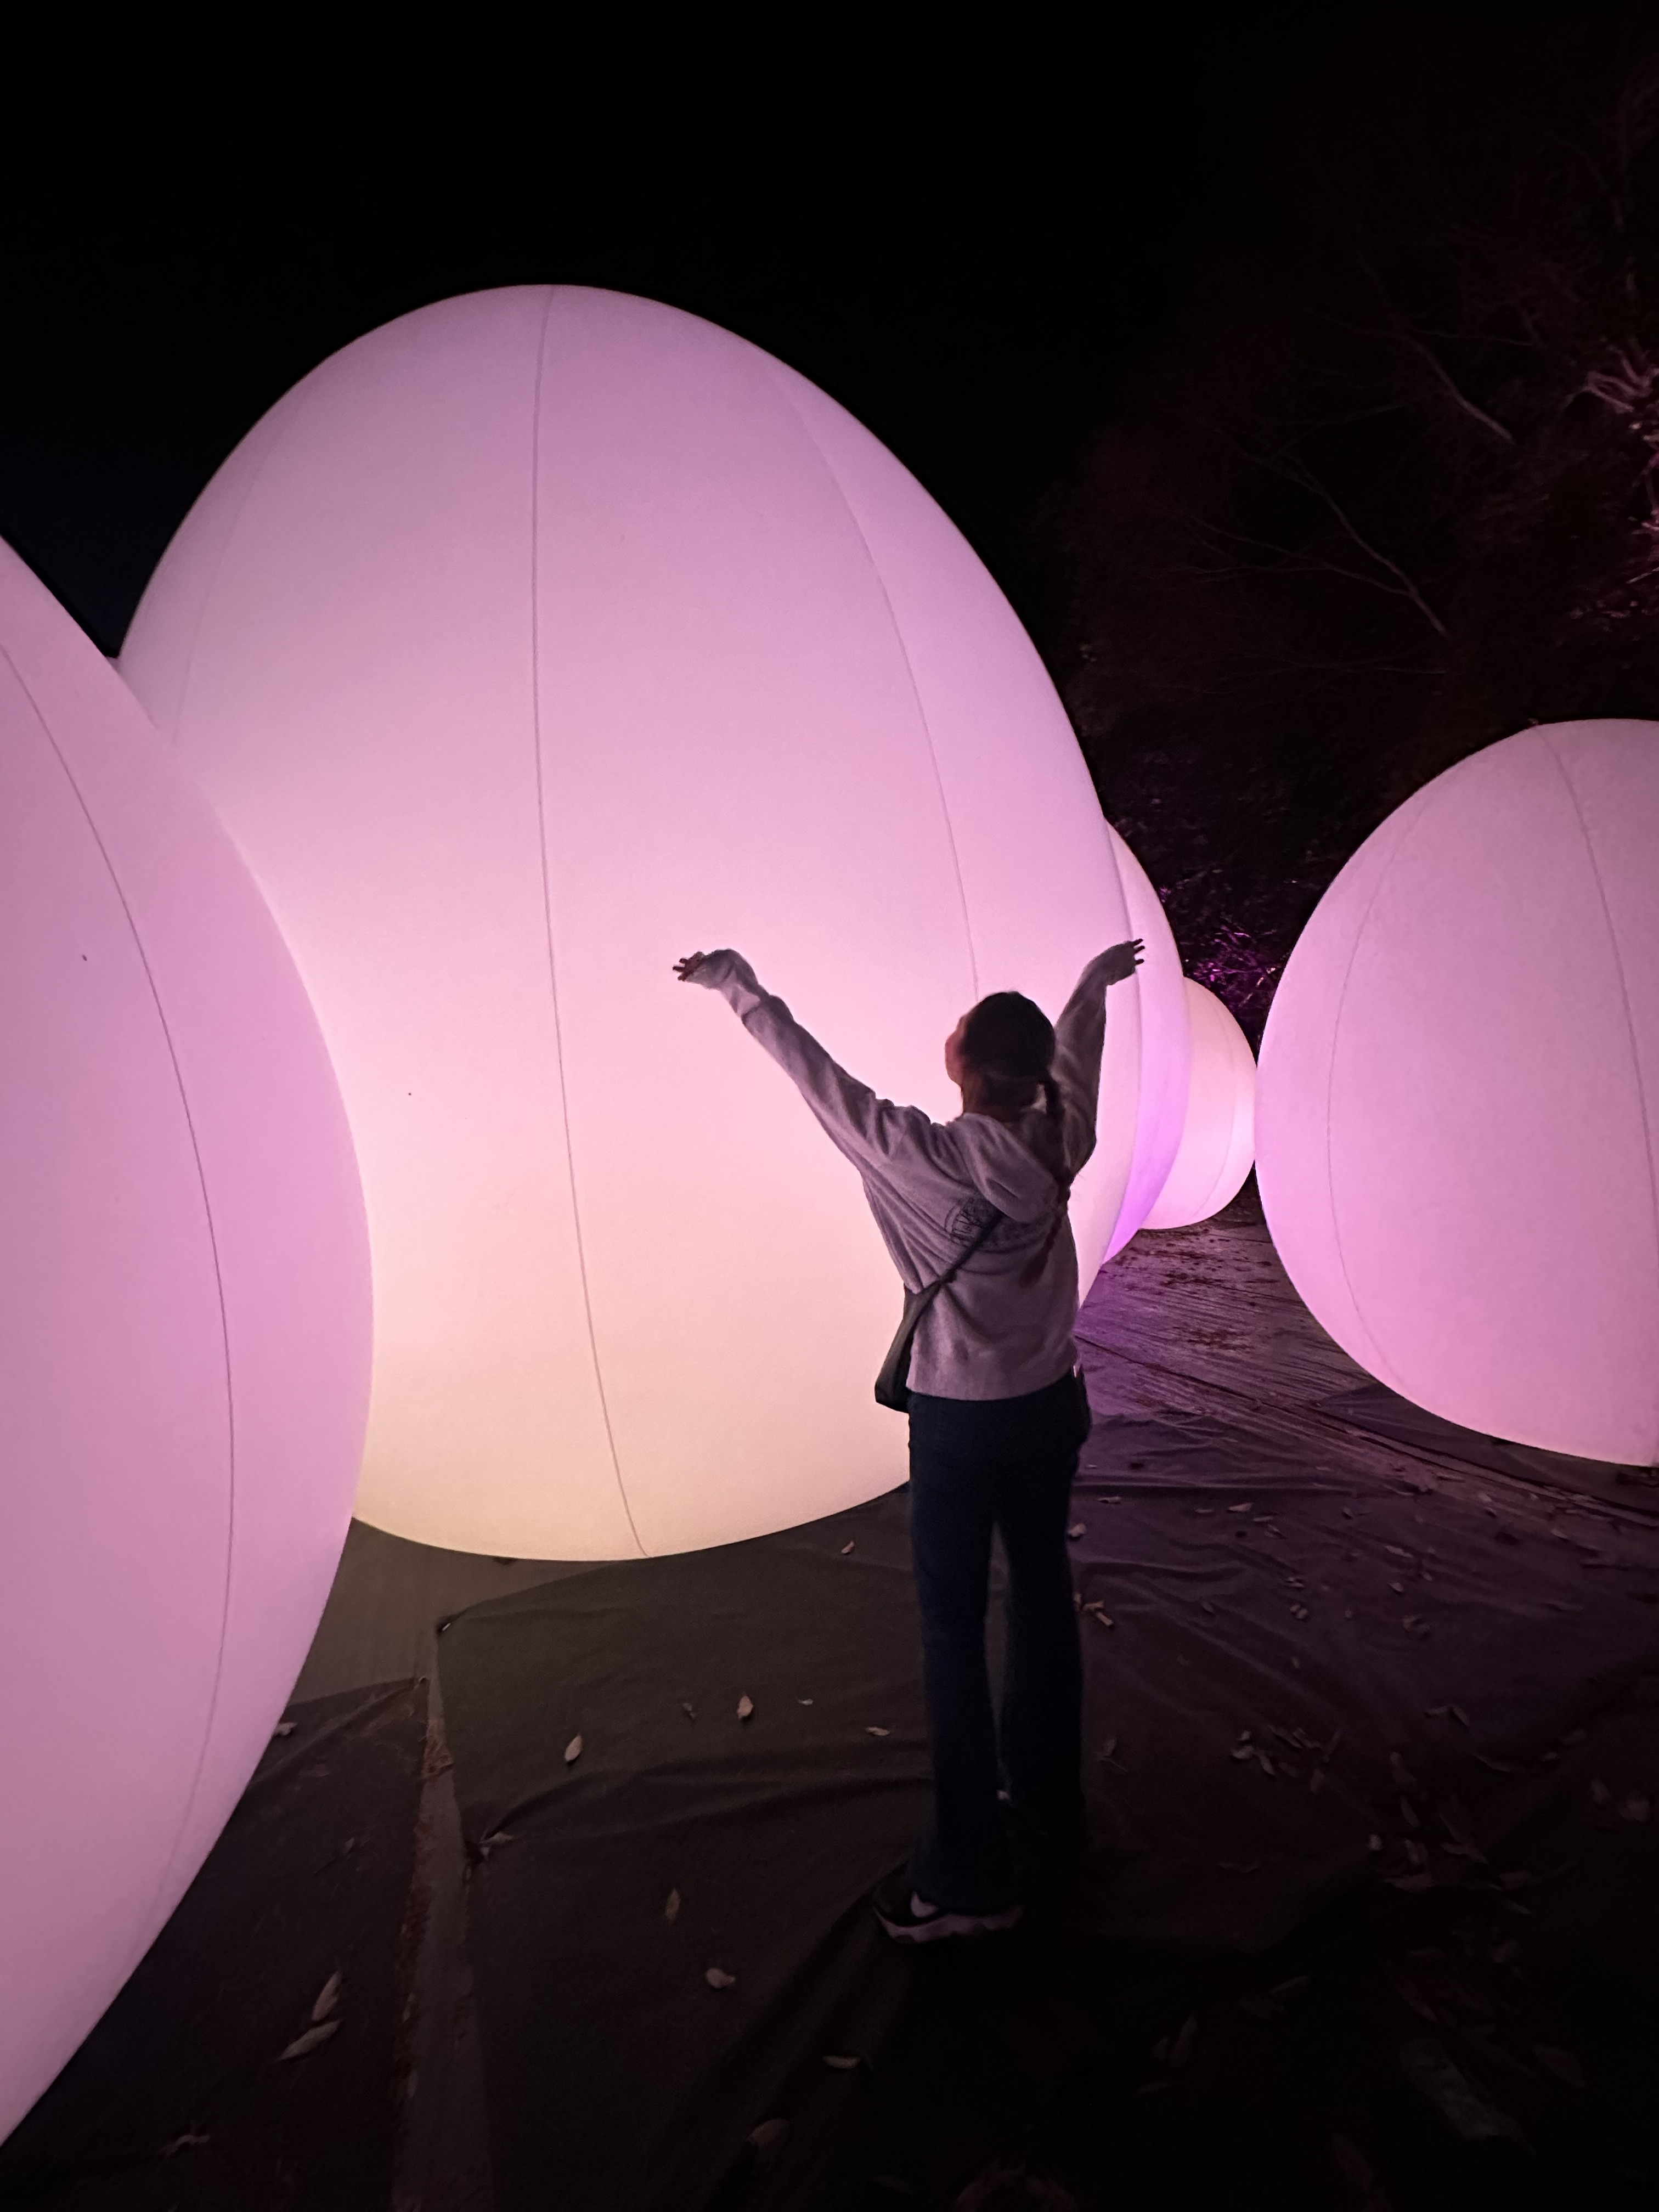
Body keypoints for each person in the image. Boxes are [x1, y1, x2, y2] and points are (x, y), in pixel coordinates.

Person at [675, 939, 1144, 1942]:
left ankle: (966, 1883)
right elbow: (1077, 1062)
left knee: (951, 1633)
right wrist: (1091, 991)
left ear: (961, 1062)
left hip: (961, 1422)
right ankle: (1048, 1810)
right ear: (1034, 1076)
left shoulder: (914, 1155)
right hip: (1049, 1406)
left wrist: (737, 986)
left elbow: (815, 1076)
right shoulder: (1063, 1140)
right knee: (1043, 1603)